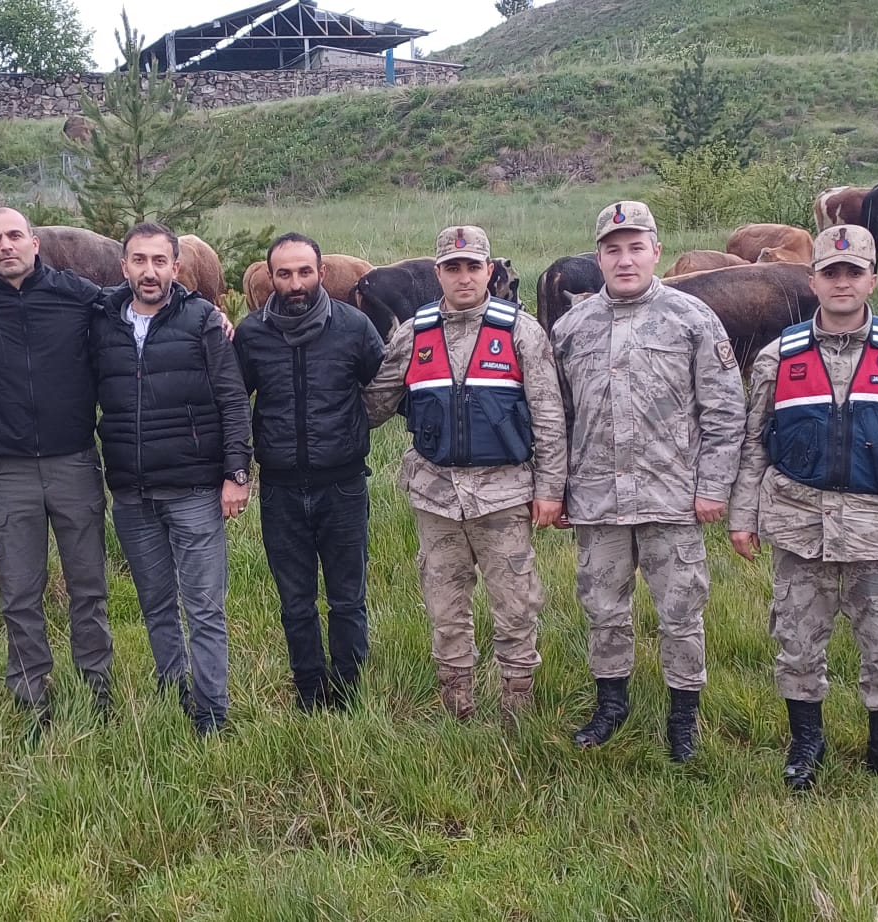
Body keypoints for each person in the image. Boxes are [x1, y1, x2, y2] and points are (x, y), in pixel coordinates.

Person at [728, 225, 878, 794]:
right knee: (797, 643)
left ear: (872, 281)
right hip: (797, 525)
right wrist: (742, 515)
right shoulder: (778, 356)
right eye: (830, 272)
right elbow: (753, 440)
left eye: (852, 273)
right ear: (813, 280)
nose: (841, 282)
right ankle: (806, 745)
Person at [549, 201, 745, 761]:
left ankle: (684, 716)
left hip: (672, 496)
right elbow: (556, 416)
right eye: (613, 249)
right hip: (596, 498)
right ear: (599, 258)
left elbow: (726, 410)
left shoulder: (692, 318)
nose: (625, 259)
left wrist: (713, 485)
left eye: (636, 247)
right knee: (602, 608)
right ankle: (611, 704)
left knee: (681, 612)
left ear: (656, 251)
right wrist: (558, 487)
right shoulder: (571, 327)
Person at [365, 225, 567, 725]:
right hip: (435, 497)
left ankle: (517, 708)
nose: (463, 277)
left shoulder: (522, 332)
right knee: (445, 606)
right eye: (452, 268)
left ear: (490, 270)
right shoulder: (413, 334)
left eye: (473, 266)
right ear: (438, 274)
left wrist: (551, 489)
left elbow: (548, 415)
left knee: (515, 606)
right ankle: (458, 706)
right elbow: (373, 404)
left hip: (504, 494)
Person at [0, 207, 114, 721]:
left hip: (74, 462)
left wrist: (204, 310)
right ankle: (30, 692)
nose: (6, 246)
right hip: (10, 472)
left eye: (15, 236)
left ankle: (98, 685)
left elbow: (137, 306)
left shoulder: (76, 294)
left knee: (88, 586)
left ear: (35, 243)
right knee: (19, 591)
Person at [92, 223, 252, 736]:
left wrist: (236, 473)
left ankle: (211, 712)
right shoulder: (103, 322)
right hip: (132, 493)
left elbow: (232, 399)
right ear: (124, 267)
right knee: (156, 603)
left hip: (194, 490)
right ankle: (171, 689)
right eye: (139, 260)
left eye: (160, 261)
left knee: (204, 607)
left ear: (176, 268)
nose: (149, 271)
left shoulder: (203, 320)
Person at [234, 232, 386, 712]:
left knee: (347, 598)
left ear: (321, 273)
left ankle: (345, 690)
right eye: (284, 273)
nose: (295, 283)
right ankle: (308, 689)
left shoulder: (354, 327)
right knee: (295, 601)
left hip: (341, 484)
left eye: (304, 272)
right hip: (279, 489)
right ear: (269, 277)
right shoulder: (252, 334)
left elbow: (383, 388)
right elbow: (234, 400)